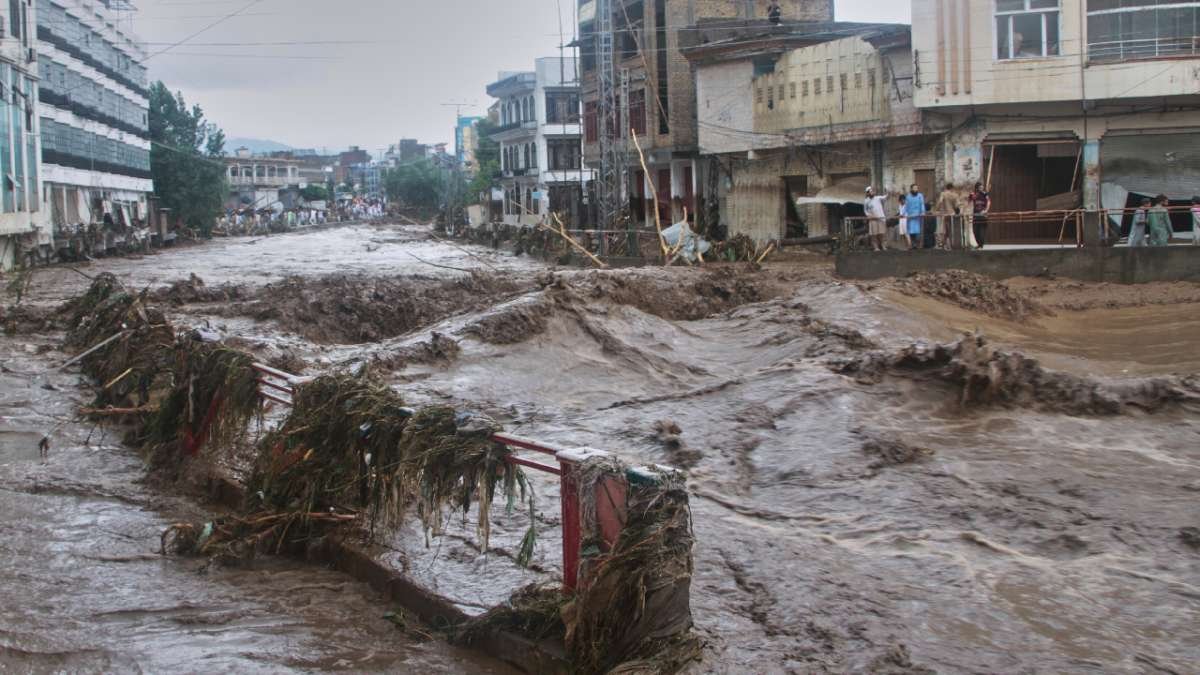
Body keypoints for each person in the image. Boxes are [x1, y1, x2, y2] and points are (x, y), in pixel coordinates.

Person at [933, 183, 961, 250]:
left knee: (945, 230)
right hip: (953, 214)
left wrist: (936, 209)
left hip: (945, 214)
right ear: (952, 188)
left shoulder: (943, 194)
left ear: (946, 188)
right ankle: (947, 244)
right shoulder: (955, 195)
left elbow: (940, 201)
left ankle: (944, 244)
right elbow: (957, 206)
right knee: (950, 230)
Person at [863, 186, 887, 251]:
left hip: (881, 218)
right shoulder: (866, 201)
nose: (872, 192)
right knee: (874, 234)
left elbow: (885, 197)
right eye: (870, 191)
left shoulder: (878, 198)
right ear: (867, 193)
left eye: (872, 191)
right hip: (872, 219)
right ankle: (876, 247)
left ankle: (883, 246)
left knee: (882, 233)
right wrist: (868, 215)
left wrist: (887, 192)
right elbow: (865, 210)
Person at [968, 181, 991, 249]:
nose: (981, 188)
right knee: (975, 231)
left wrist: (986, 210)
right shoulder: (974, 194)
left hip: (983, 215)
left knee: (982, 231)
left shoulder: (985, 194)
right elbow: (970, 200)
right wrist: (971, 195)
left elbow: (989, 202)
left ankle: (981, 245)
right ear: (977, 188)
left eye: (982, 187)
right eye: (980, 187)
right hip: (975, 215)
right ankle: (979, 244)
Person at [903, 183, 925, 249]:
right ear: (911, 189)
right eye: (914, 188)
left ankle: (919, 245)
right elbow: (906, 207)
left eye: (917, 188)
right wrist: (905, 214)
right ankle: (912, 244)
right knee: (911, 231)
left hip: (918, 217)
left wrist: (923, 212)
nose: (916, 189)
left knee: (918, 231)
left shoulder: (920, 196)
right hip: (910, 217)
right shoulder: (908, 197)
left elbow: (922, 204)